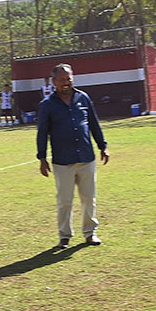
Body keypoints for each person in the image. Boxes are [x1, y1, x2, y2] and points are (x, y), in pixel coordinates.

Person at [37, 63, 109, 249]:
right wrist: (42, 158)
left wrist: (103, 146)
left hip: (86, 157)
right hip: (63, 161)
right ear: (54, 82)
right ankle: (64, 236)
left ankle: (90, 233)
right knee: (65, 201)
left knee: (89, 198)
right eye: (61, 80)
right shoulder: (47, 105)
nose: (66, 82)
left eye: (68, 78)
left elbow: (94, 123)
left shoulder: (83, 98)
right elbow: (42, 132)